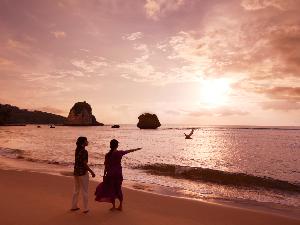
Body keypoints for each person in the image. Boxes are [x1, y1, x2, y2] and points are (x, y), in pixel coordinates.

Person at [95, 139, 141, 211]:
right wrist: (137, 149)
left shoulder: (107, 155)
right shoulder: (119, 153)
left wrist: (104, 175)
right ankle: (120, 206)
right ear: (117, 145)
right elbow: (128, 151)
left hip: (110, 174)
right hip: (118, 174)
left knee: (112, 190)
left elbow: (106, 166)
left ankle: (113, 206)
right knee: (118, 189)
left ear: (110, 145)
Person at [71, 136, 95, 213]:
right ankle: (85, 208)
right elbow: (84, 164)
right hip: (83, 173)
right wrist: (91, 171)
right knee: (85, 190)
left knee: (76, 190)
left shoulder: (77, 150)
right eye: (86, 141)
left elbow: (78, 162)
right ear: (83, 142)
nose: (87, 142)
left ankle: (74, 206)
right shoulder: (84, 151)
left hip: (76, 172)